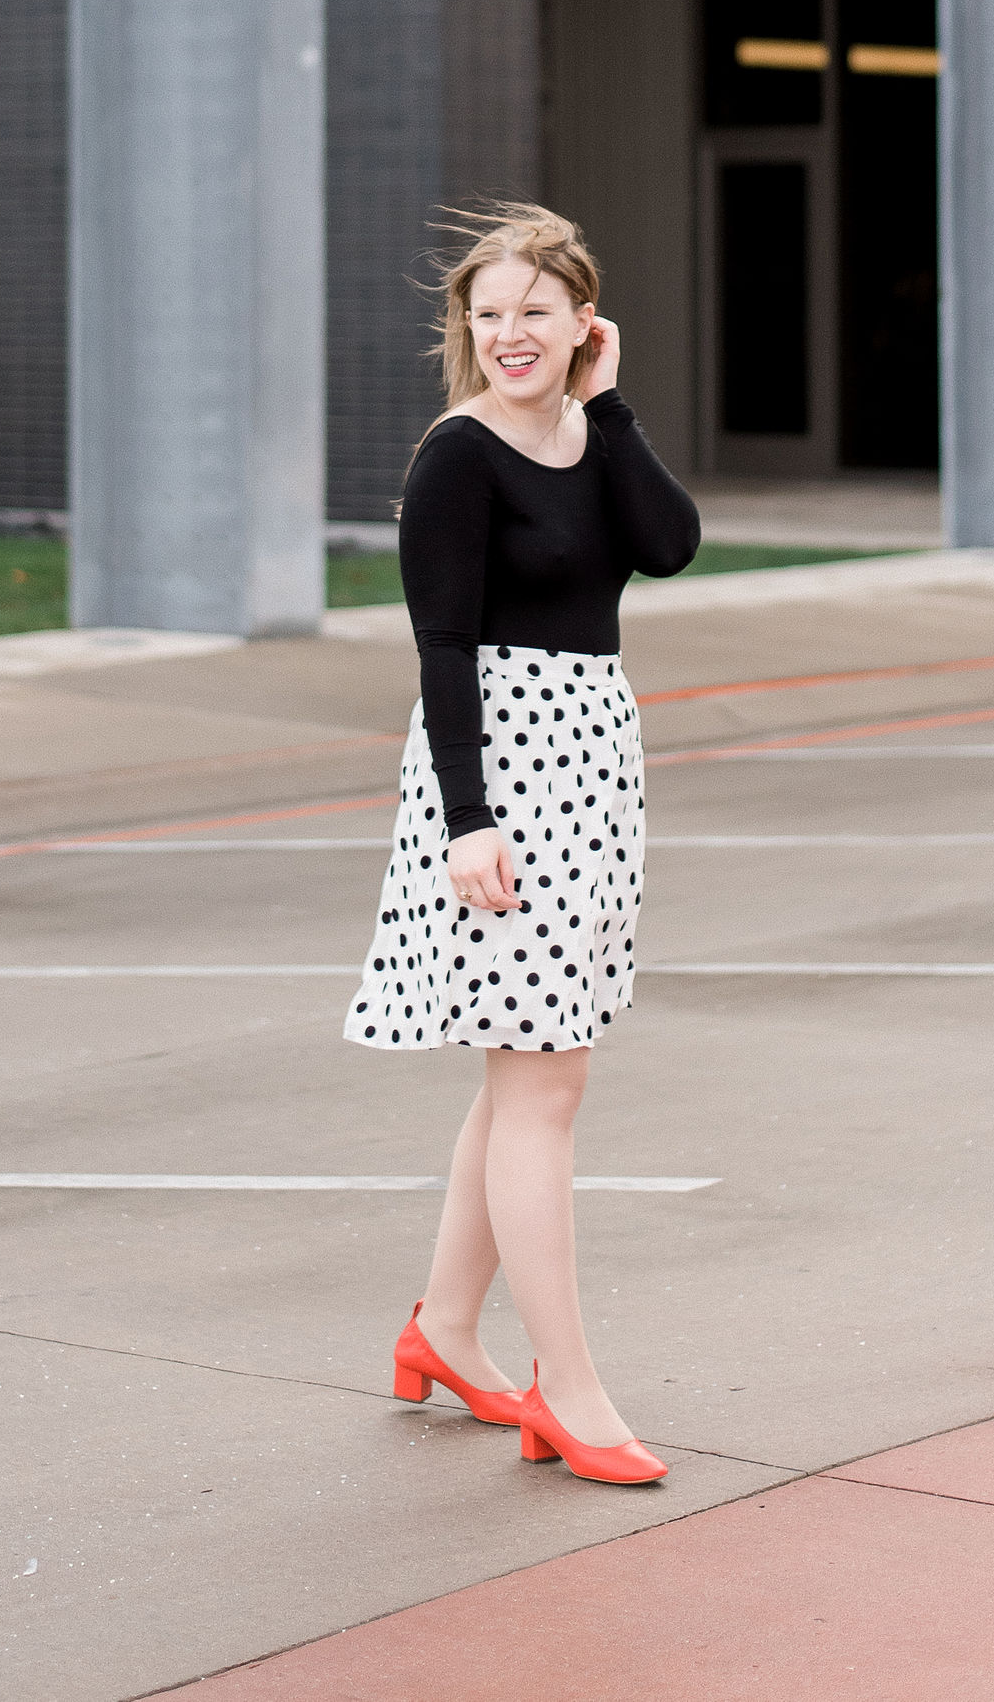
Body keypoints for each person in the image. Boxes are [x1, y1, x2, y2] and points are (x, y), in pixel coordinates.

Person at [344, 203, 701, 1486]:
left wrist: (608, 410)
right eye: (486, 315)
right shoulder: (457, 455)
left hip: (592, 763)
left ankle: (441, 1329)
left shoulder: (582, 433)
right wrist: (466, 821)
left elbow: (667, 545)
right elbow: (441, 650)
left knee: (528, 1077)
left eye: (533, 314)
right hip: (498, 774)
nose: (506, 335)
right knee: (542, 1079)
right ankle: (571, 1383)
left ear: (579, 323)